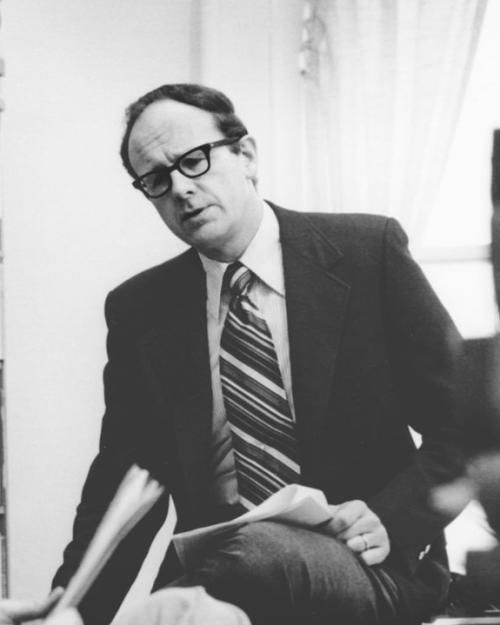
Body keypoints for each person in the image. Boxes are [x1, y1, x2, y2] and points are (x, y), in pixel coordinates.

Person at [5, 83, 464, 625]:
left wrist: (390, 518)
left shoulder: (368, 254)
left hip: (368, 562)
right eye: (156, 179)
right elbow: (123, 483)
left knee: (245, 561)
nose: (179, 188)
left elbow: (468, 425)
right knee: (216, 582)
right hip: (221, 575)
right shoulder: (141, 309)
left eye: (193, 161)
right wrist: (72, 611)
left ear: (245, 155)